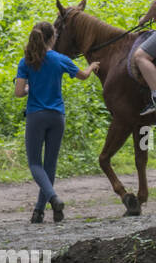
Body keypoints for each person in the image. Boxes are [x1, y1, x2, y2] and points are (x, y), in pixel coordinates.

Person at [14, 22, 100, 224]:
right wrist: (92, 66)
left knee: (35, 164)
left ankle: (53, 198)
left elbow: (19, 92)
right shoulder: (61, 59)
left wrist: (29, 89)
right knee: (49, 165)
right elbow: (84, 76)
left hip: (36, 115)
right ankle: (40, 212)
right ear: (53, 37)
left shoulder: (26, 61)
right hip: (57, 116)